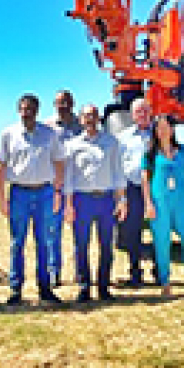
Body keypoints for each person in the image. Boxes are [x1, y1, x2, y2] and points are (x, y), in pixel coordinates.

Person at [0, 94, 66, 305]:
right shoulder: (8, 134)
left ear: (38, 110)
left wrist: (57, 192)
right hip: (19, 193)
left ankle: (45, 288)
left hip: (44, 192)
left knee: (44, 242)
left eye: (31, 109)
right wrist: (2, 198)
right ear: (19, 110)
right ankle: (15, 289)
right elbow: (1, 167)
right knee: (17, 242)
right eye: (24, 109)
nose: (27, 113)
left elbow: (59, 163)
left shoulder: (49, 134)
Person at [63, 104, 128, 302]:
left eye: (93, 115)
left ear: (98, 119)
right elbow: (69, 177)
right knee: (81, 245)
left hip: (106, 199)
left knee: (106, 245)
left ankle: (103, 287)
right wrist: (68, 205)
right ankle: (84, 287)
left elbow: (118, 172)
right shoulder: (72, 145)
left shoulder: (111, 142)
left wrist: (122, 200)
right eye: (86, 116)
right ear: (80, 120)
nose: (89, 119)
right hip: (82, 200)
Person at [142, 115, 184, 297]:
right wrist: (148, 204)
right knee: (161, 243)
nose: (163, 131)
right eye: (159, 127)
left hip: (181, 201)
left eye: (166, 126)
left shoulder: (183, 151)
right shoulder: (150, 154)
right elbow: (145, 180)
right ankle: (165, 283)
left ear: (173, 129)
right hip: (160, 203)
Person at [115, 98, 154, 287]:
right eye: (138, 111)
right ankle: (135, 272)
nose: (142, 114)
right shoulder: (123, 137)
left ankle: (159, 271)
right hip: (132, 187)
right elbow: (119, 165)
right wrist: (121, 195)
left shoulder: (159, 134)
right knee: (132, 231)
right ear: (132, 115)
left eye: (145, 110)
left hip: (156, 187)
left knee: (158, 229)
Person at [45, 89, 82, 287]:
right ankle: (54, 273)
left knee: (80, 232)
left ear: (73, 103)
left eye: (66, 101)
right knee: (53, 231)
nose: (63, 106)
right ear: (54, 104)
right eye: (59, 102)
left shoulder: (82, 125)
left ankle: (80, 272)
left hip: (78, 185)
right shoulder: (47, 127)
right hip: (55, 185)